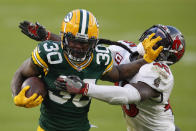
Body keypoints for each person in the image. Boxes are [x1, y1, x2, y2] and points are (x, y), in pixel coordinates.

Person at [11, 9, 162, 131]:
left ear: (94, 43)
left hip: (80, 128)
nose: (78, 47)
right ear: (63, 38)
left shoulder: (99, 58)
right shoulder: (48, 54)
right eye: (73, 41)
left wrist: (146, 60)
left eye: (84, 43)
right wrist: (17, 95)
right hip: (47, 128)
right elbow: (21, 73)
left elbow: (119, 74)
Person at [58, 24, 185, 131]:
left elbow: (128, 95)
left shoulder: (160, 73)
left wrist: (85, 88)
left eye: (158, 42)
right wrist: (48, 37)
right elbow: (83, 48)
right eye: (153, 36)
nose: (152, 41)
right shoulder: (123, 49)